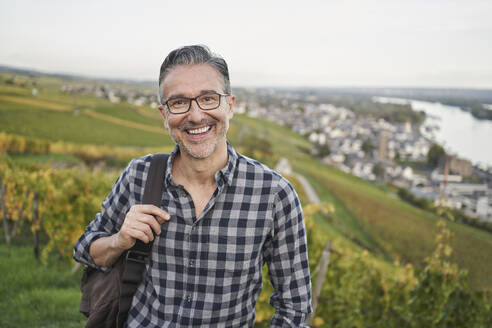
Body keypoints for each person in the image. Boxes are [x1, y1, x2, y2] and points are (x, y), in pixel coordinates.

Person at [73, 45, 312, 327]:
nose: (196, 116)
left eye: (208, 98)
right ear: (164, 115)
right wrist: (120, 240)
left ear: (230, 106)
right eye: (178, 103)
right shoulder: (139, 175)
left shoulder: (274, 195)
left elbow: (294, 306)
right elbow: (85, 249)